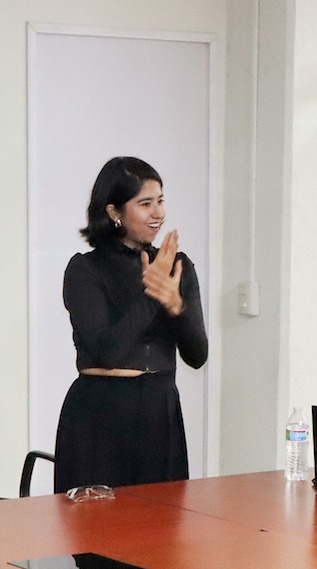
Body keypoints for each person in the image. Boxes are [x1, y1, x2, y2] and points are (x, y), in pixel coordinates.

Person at [54, 156, 208, 493]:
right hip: (99, 416)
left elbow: (198, 356)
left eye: (161, 201)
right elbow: (109, 351)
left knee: (160, 533)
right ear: (114, 212)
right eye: (145, 203)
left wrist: (176, 304)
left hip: (159, 413)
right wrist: (154, 294)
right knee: (95, 535)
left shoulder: (177, 267)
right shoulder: (84, 270)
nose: (159, 213)